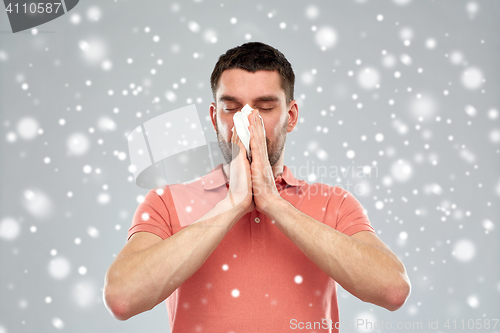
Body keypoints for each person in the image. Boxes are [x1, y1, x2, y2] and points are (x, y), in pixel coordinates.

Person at [103, 42, 411, 332]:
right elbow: (122, 298)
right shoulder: (167, 201)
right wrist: (232, 204)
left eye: (264, 107)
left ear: (290, 116)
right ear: (214, 117)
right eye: (231, 107)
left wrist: (275, 204)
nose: (247, 121)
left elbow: (392, 290)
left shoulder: (334, 203)